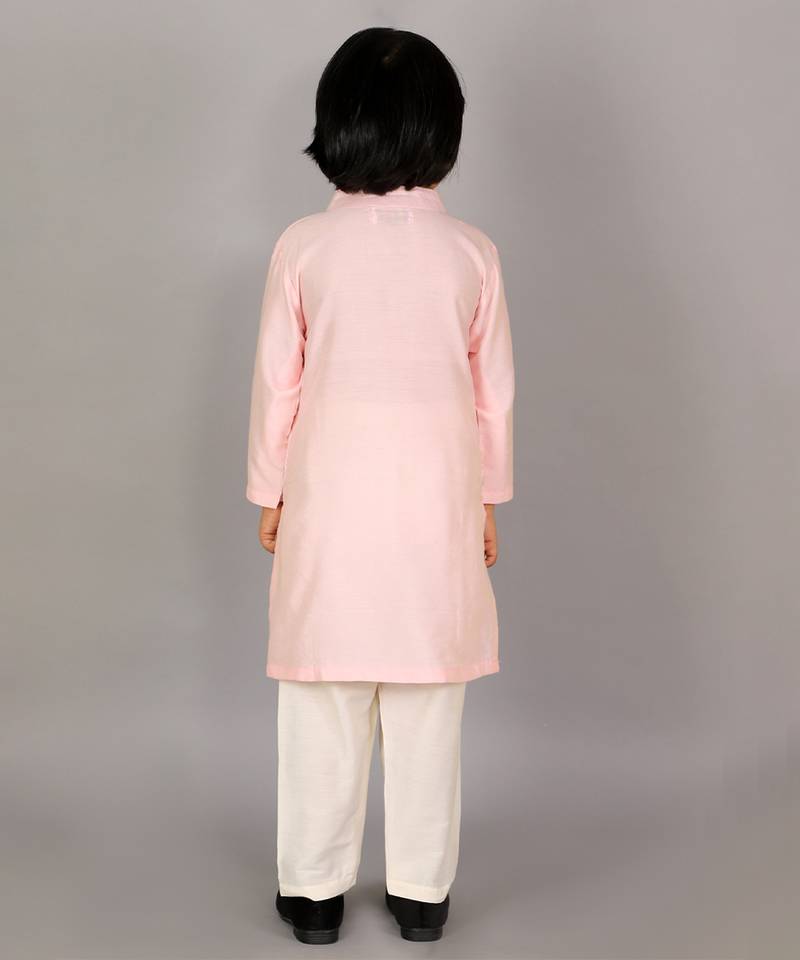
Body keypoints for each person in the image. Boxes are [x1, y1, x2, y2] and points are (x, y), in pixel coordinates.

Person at [246, 26, 514, 945]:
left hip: (328, 513)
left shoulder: (304, 247)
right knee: (429, 705)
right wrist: (487, 500)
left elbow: (278, 384)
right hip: (436, 513)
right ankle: (421, 894)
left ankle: (314, 894)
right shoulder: (472, 253)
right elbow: (493, 396)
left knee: (323, 700)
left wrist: (271, 491)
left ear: (337, 125)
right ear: (443, 129)